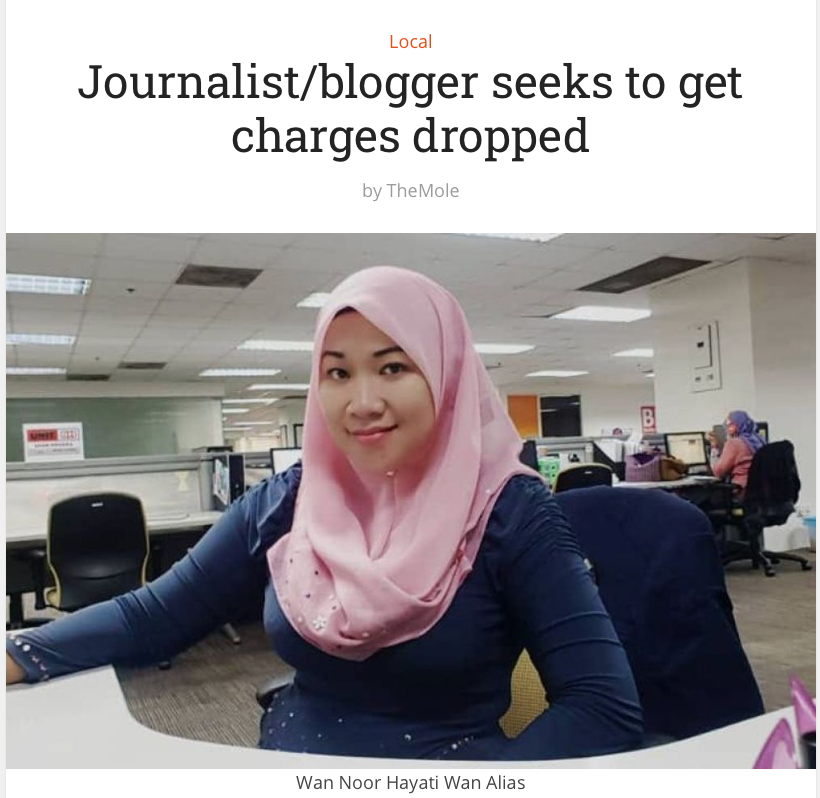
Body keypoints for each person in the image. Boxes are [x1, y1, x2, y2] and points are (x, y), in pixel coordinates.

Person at [6, 267, 642, 760]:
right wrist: (21, 653)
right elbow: (157, 615)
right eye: (337, 373)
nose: (362, 401)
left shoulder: (509, 512)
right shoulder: (292, 500)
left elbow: (602, 706)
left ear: (446, 377)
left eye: (393, 367)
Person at [706, 410, 766, 498]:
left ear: (736, 425)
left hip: (741, 492)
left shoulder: (734, 443)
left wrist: (714, 447)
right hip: (761, 492)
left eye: (729, 424)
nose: (727, 427)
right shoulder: (760, 440)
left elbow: (718, 472)